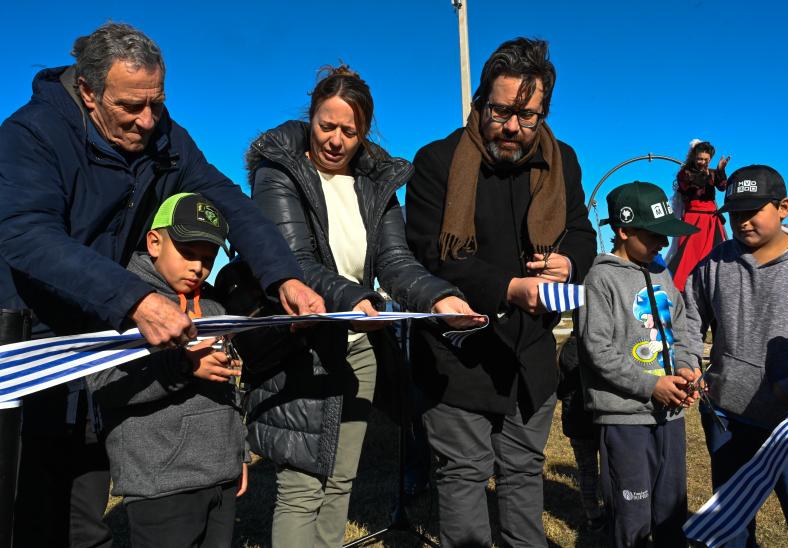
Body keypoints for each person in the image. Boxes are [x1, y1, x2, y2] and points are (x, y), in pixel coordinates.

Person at [0, 23, 322, 548]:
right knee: (31, 507)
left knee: (85, 510)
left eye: (157, 102)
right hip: (36, 346)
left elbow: (227, 200)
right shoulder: (31, 135)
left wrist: (283, 273)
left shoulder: (164, 136)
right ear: (87, 91)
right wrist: (135, 298)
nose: (148, 121)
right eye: (130, 107)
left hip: (105, 341)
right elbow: (27, 236)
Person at [244, 64, 484, 547]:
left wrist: (440, 297)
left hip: (358, 348)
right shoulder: (279, 171)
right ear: (310, 117)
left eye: (348, 131)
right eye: (325, 126)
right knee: (301, 487)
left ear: (364, 132)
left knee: (339, 482)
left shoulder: (376, 185)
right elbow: (295, 262)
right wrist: (355, 296)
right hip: (302, 348)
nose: (335, 140)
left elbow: (395, 262)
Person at [404, 37, 597, 547]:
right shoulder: (436, 161)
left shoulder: (563, 162)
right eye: (500, 110)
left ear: (544, 112)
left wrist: (569, 260)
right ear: (478, 103)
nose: (512, 126)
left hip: (530, 358)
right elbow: (431, 253)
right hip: (457, 355)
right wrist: (509, 288)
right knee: (464, 475)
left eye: (527, 115)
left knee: (522, 474)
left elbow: (582, 231)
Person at [87, 193, 246, 548]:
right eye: (188, 253)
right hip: (161, 485)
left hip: (221, 476)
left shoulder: (216, 308)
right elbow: (105, 387)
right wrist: (185, 366)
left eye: (208, 258)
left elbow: (229, 390)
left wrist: (240, 454)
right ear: (154, 242)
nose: (198, 268)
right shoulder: (126, 305)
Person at [685, 165, 788, 547]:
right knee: (730, 523)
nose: (742, 222)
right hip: (727, 416)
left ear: (784, 208)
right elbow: (688, 316)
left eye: (752, 211)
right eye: (735, 214)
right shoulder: (715, 262)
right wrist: (688, 362)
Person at [578, 181, 702, 547]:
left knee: (670, 509)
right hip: (624, 419)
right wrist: (652, 386)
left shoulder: (662, 273)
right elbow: (597, 350)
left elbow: (679, 329)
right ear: (624, 230)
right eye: (653, 236)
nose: (663, 244)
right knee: (632, 514)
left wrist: (684, 367)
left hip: (670, 418)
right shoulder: (601, 278)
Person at [666, 140, 730, 291]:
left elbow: (722, 187)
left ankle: (712, 288)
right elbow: (696, 184)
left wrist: (720, 170)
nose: (702, 162)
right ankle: (681, 289)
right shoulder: (685, 173)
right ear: (694, 157)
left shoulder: (712, 173)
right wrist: (707, 174)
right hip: (693, 219)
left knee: (714, 255)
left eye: (706, 160)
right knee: (688, 257)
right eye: (700, 159)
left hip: (712, 220)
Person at [556, 335, 604, 530]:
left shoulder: (563, 351)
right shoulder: (589, 349)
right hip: (597, 420)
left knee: (586, 471)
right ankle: (610, 509)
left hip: (576, 424)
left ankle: (592, 513)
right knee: (608, 470)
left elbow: (559, 391)